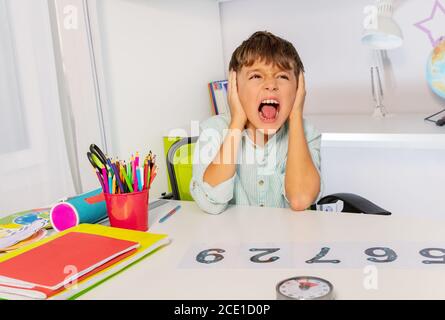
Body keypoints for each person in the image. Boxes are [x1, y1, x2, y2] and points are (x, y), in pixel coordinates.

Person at [190, 31, 322, 214]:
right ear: (235, 87)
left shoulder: (306, 133)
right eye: (256, 76)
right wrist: (237, 122)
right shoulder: (214, 130)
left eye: (282, 76)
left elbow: (300, 199)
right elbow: (211, 203)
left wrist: (296, 113)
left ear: (299, 88)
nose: (271, 85)